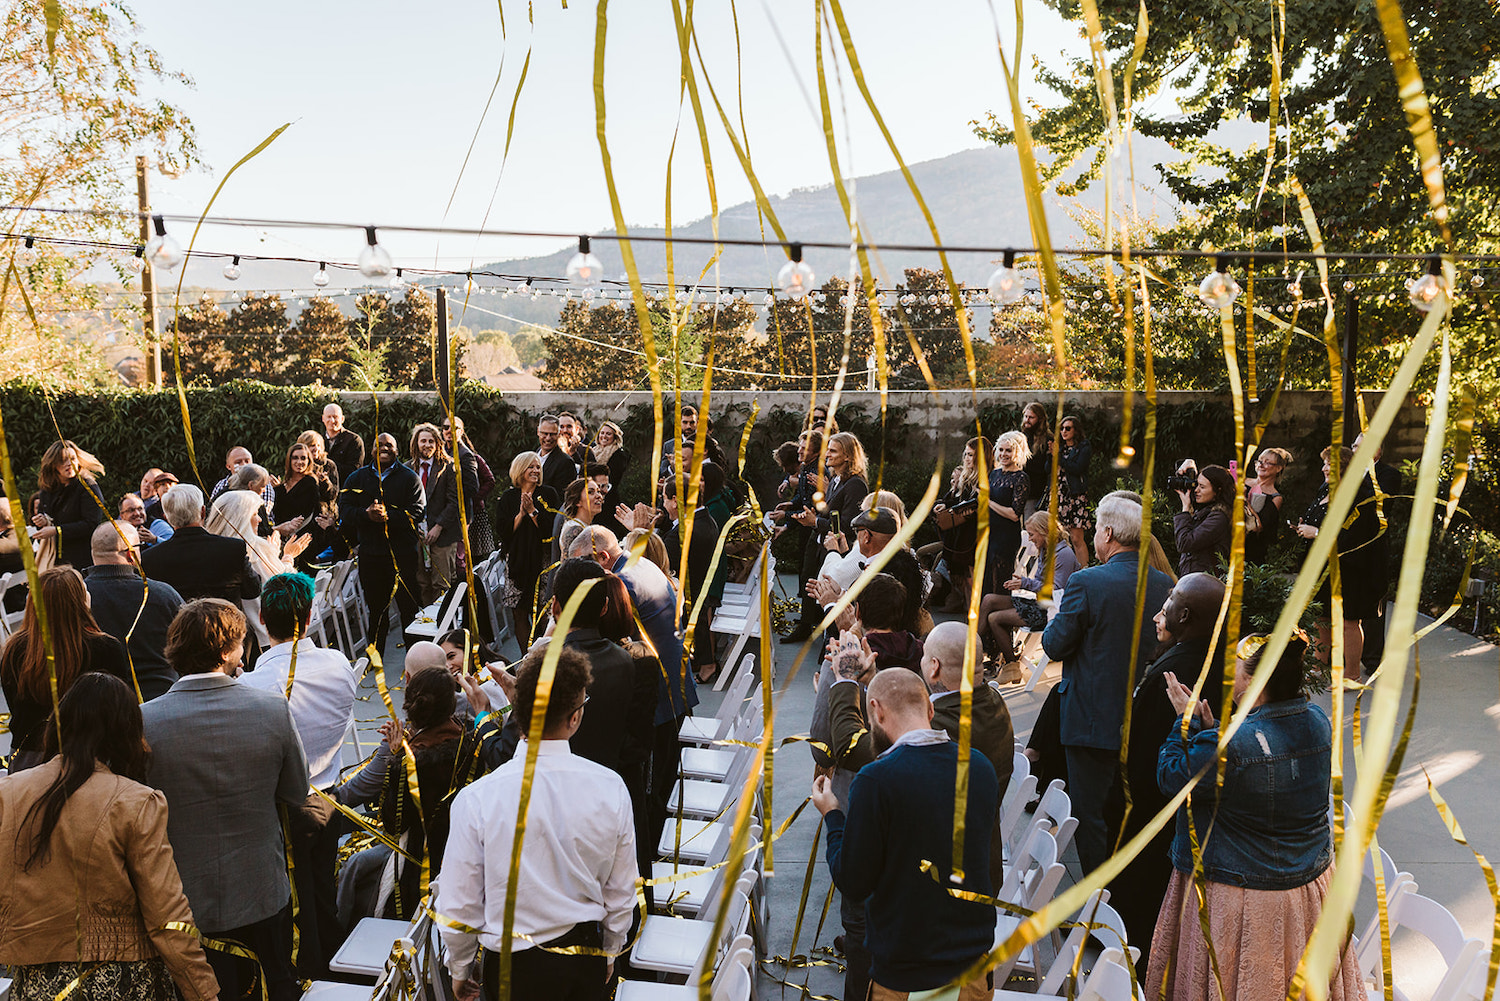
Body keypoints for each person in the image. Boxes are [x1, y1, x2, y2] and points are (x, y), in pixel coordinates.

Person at [1151, 632, 1366, 1001]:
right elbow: (1260, 758)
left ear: (1253, 681)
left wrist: (1185, 723)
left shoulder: (1231, 746)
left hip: (1241, 898)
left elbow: (1171, 775)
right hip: (1308, 894)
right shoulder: (1317, 720)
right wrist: (1213, 733)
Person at [0, 673, 220, 1001]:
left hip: (34, 985)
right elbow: (168, 916)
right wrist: (202, 991)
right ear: (125, 731)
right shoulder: (135, 801)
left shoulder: (9, 792)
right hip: (123, 982)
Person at [438, 646, 637, 1001]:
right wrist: (611, 949)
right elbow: (621, 891)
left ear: (517, 711)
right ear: (575, 717)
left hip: (512, 970)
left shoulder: (478, 798)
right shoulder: (610, 788)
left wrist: (460, 966)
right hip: (582, 957)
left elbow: (459, 902)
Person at [142, 598, 310, 1001]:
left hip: (183, 899)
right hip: (260, 888)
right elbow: (296, 791)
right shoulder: (271, 709)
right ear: (229, 651)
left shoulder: (146, 720)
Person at [813, 667, 998, 1001]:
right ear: (930, 710)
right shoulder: (980, 766)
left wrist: (833, 816)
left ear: (877, 712)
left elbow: (854, 881)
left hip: (905, 975)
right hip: (972, 967)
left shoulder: (877, 779)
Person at [1041, 490, 1174, 875]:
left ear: (1109, 533)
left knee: (1091, 814)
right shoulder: (1164, 583)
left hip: (1091, 716)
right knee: (1127, 808)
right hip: (1144, 714)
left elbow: (1054, 645)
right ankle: (1125, 896)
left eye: (1098, 529)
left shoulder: (1087, 582)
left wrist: (1053, 619)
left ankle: (1098, 905)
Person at [1105, 571, 1226, 973]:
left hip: (1151, 813)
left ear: (1186, 614)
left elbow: (1145, 758)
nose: (1163, 606)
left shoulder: (1173, 674)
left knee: (1139, 911)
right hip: (1184, 816)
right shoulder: (1217, 658)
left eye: (1171, 598)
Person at [239, 572, 358, 975]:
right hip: (328, 795)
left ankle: (308, 969)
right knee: (322, 886)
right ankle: (331, 962)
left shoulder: (253, 684)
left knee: (294, 897)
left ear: (263, 621)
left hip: (285, 805)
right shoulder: (338, 664)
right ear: (307, 619)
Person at [565, 525, 696, 853]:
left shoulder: (621, 585)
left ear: (603, 558)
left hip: (658, 697)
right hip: (674, 687)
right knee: (662, 780)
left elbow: (605, 647)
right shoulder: (644, 563)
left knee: (649, 790)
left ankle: (651, 853)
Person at [1, 566, 132, 771]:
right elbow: (119, 707)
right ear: (80, 600)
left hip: (29, 760)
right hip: (92, 755)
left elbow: (16, 707)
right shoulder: (105, 648)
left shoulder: (15, 649)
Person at [922, 619, 1015, 888]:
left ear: (934, 667)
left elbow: (857, 752)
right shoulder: (994, 701)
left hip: (942, 879)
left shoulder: (934, 727)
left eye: (925, 655)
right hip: (985, 864)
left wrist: (845, 686)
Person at [1294, 445, 1382, 675]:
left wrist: (1317, 532)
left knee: (1348, 623)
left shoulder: (1359, 496)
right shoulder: (1325, 489)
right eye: (1324, 464)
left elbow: (1355, 535)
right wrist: (1305, 526)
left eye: (1329, 465)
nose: (1324, 468)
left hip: (1349, 568)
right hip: (1320, 565)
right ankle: (1319, 664)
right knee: (1320, 618)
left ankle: (1351, 673)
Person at [340, 432, 425, 658]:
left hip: (402, 555)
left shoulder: (409, 478)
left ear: (397, 450)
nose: (384, 448)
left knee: (409, 609)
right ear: (372, 449)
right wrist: (366, 515)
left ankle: (415, 659)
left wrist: (389, 516)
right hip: (371, 555)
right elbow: (345, 511)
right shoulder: (356, 478)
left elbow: (418, 511)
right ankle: (374, 660)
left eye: (390, 445)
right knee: (376, 610)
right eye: (380, 445)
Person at [84, 521, 184, 701]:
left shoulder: (78, 599)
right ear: (132, 555)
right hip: (163, 698)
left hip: (100, 704)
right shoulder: (163, 595)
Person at [785, 431, 868, 643]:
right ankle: (809, 626)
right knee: (811, 582)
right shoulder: (835, 479)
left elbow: (849, 524)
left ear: (848, 456)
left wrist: (815, 522)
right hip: (821, 542)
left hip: (840, 550)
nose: (827, 455)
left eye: (832, 451)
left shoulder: (856, 484)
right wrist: (810, 517)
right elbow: (828, 512)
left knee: (834, 591)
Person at [979, 510, 1080, 683]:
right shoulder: (1045, 549)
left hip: (1051, 609)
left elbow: (1055, 591)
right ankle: (970, 650)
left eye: (1032, 534)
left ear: (1045, 532)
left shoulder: (1064, 555)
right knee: (989, 599)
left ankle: (1011, 665)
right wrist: (1023, 583)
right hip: (1038, 602)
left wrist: (1025, 583)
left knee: (995, 618)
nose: (1031, 538)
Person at [207, 488, 309, 649]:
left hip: (229, 638)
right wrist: (288, 557)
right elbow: (282, 586)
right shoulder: (254, 548)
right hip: (266, 636)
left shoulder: (213, 550)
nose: (260, 519)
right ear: (242, 518)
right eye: (255, 514)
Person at [141, 484, 262, 605]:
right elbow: (252, 590)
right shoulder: (233, 548)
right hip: (225, 621)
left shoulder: (150, 559)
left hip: (178, 623)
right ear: (203, 512)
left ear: (167, 518)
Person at [495, 451, 560, 645]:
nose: (535, 470)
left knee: (542, 614)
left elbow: (552, 529)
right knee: (520, 614)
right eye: (531, 466)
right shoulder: (508, 497)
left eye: (537, 467)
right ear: (520, 469)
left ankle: (543, 657)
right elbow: (503, 531)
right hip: (517, 562)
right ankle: (526, 659)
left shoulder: (548, 494)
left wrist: (533, 512)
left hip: (542, 561)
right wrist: (520, 515)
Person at [1353, 432, 1403, 675]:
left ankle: (1372, 659)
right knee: (1348, 607)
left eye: (1360, 447)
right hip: (1347, 548)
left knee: (1372, 604)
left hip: (1373, 549)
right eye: (1353, 446)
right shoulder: (1345, 475)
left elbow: (1380, 505)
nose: (1354, 451)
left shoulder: (1389, 475)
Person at [923, 436, 989, 612]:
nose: (967, 458)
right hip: (961, 535)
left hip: (975, 534)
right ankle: (969, 618)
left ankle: (975, 621)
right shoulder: (966, 478)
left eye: (971, 455)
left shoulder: (985, 478)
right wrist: (944, 505)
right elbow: (955, 501)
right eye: (965, 454)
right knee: (966, 581)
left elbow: (978, 506)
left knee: (974, 582)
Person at [411, 421, 469, 604]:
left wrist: (438, 526)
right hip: (417, 535)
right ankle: (423, 626)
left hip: (443, 535)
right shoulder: (408, 468)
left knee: (441, 583)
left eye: (431, 441)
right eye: (423, 441)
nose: (427, 445)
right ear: (416, 443)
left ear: (437, 444)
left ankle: (443, 627)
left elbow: (455, 503)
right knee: (421, 583)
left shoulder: (449, 467)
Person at [33, 439, 106, 570]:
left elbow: (91, 523)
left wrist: (57, 530)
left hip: (81, 557)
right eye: (62, 460)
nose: (69, 464)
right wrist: (42, 521)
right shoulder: (47, 489)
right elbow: (44, 515)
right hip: (53, 558)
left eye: (72, 458)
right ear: (53, 465)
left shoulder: (88, 486)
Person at [275, 438, 338, 571]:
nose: (299, 462)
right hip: (280, 540)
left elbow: (304, 510)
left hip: (302, 540)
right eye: (295, 458)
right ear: (289, 460)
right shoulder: (282, 486)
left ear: (309, 461)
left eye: (303, 458)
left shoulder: (310, 482)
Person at [1039, 414, 1093, 567]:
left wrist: (1059, 457)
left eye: (1068, 428)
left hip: (1075, 496)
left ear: (1076, 430)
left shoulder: (1083, 447)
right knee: (1057, 536)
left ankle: (1084, 571)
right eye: (1062, 428)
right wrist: (1051, 455)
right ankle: (1062, 570)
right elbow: (1047, 469)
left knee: (1076, 538)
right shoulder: (1059, 448)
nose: (1064, 431)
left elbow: (1077, 468)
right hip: (1058, 496)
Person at [984, 430, 1031, 594]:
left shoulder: (1021, 478)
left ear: (1017, 452)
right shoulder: (994, 474)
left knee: (1001, 581)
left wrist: (988, 502)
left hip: (1006, 537)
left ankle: (999, 617)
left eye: (1009, 450)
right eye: (1001, 449)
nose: (1004, 454)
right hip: (990, 534)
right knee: (986, 580)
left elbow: (1014, 514)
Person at [441, 415, 495, 559]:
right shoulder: (441, 452)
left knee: (467, 557)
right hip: (445, 512)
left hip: (466, 512)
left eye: (454, 428)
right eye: (445, 427)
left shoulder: (468, 456)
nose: (448, 431)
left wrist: (474, 500)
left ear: (461, 431)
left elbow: (486, 482)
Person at [1172, 461, 1234, 576]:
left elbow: (1185, 543)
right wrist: (1189, 463)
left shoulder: (1219, 518)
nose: (1196, 490)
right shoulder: (1205, 510)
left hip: (1205, 584)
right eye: (1196, 484)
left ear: (1217, 491)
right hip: (1195, 580)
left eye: (1202, 487)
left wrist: (1185, 508)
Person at [1244, 447, 1292, 565]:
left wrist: (1244, 501)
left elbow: (1258, 527)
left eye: (1267, 462)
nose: (1261, 465)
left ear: (1278, 468)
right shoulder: (1242, 482)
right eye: (1260, 461)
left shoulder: (1275, 498)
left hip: (1252, 552)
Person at [209, 446, 277, 520]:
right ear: (228, 466)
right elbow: (212, 513)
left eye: (247, 461)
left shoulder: (262, 484)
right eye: (238, 462)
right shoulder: (221, 485)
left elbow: (263, 516)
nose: (244, 465)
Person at [1020, 402, 1052, 520]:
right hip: (1019, 491)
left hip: (1035, 492)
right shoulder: (1021, 436)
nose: (1027, 420)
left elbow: (1043, 467)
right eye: (1026, 416)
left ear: (1040, 419)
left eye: (1031, 417)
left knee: (1031, 529)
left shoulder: (1048, 439)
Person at [536, 413, 578, 497]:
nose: (548, 438)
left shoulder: (565, 462)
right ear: (538, 432)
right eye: (545, 433)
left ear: (559, 434)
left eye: (552, 434)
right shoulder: (535, 455)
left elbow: (560, 498)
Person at [323, 402, 365, 476]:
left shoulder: (353, 440)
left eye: (335, 417)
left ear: (342, 419)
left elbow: (354, 470)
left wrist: (327, 466)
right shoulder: (318, 441)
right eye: (328, 417)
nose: (332, 420)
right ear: (323, 418)